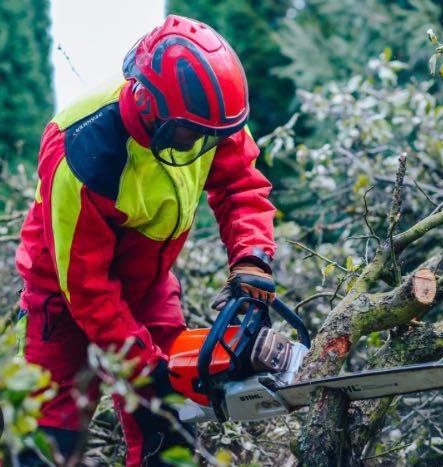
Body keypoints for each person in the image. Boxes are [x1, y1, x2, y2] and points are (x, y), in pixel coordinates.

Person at [15, 14, 277, 466]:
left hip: (149, 281)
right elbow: (87, 286)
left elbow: (241, 187)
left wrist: (252, 256)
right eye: (188, 134)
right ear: (149, 103)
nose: (201, 144)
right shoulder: (84, 151)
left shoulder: (211, 115)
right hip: (62, 297)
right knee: (49, 438)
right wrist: (141, 363)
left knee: (168, 418)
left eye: (209, 136)